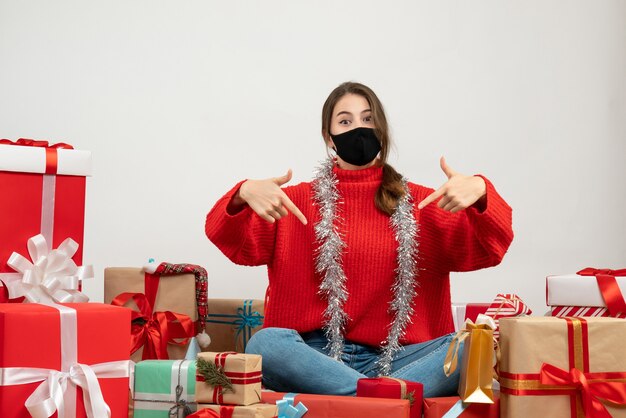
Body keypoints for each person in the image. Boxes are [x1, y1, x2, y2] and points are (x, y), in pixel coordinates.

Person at [205, 81, 513, 397]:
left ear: (382, 128)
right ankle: (385, 402)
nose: (359, 129)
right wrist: (241, 194)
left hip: (403, 359)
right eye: (345, 121)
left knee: (470, 346)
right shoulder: (293, 204)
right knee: (265, 344)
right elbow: (226, 237)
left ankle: (366, 401)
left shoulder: (424, 205)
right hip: (317, 359)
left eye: (368, 119)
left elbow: (492, 247)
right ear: (329, 137)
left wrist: (481, 192)